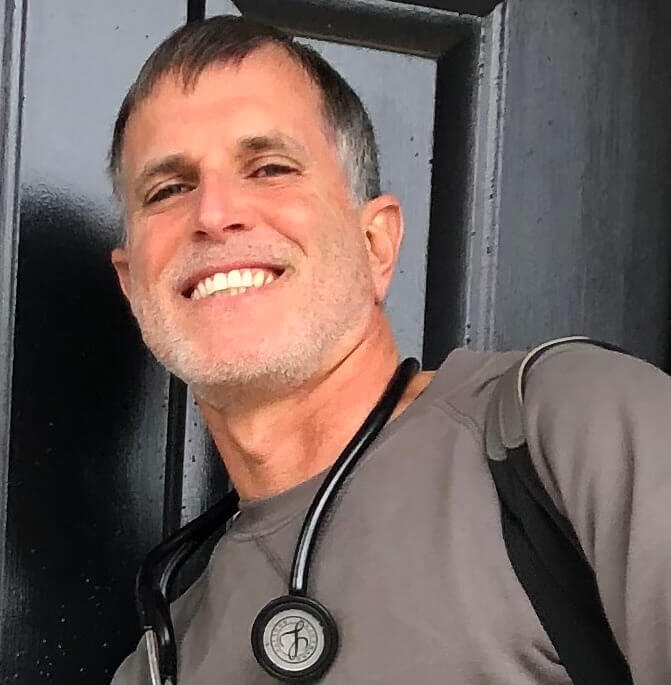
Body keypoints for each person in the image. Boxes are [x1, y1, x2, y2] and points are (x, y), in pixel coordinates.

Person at [109, 15, 671, 685]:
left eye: (269, 168)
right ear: (132, 285)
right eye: (169, 189)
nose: (213, 213)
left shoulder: (576, 428)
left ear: (376, 244)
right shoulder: (162, 661)